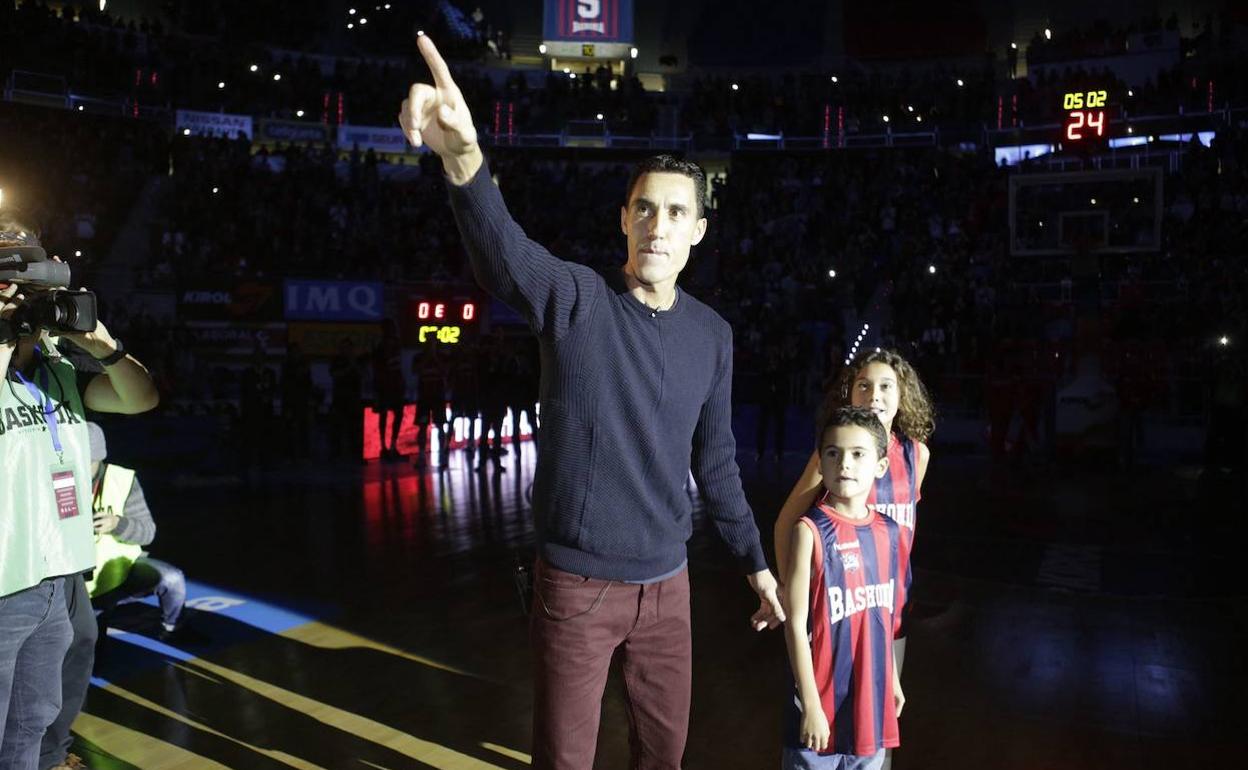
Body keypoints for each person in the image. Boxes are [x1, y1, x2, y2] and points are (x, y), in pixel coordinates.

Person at [398, 35, 784, 769]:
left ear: (698, 231)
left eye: (675, 214)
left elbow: (718, 460)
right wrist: (462, 158)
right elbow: (504, 254)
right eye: (645, 209)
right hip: (576, 588)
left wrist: (755, 564)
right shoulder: (578, 299)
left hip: (668, 589)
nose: (657, 226)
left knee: (662, 757)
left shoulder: (713, 335)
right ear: (624, 219)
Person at [1, 226, 159, 770]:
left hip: (58, 575)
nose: (28, 309)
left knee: (33, 722)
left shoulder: (61, 373)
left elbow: (141, 399)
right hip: (3, 584)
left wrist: (106, 350)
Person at [773, 349, 932, 770]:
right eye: (864, 385)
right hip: (837, 606)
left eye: (885, 386)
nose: (874, 394)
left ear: (903, 397)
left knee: (875, 724)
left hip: (885, 608)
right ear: (850, 393)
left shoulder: (916, 455)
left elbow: (903, 537)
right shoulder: (836, 451)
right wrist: (791, 592)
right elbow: (788, 521)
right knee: (824, 716)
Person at [41, 423, 187, 770]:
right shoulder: (57, 479)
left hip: (120, 568)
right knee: (87, 655)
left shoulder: (123, 480)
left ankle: (172, 627)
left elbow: (148, 530)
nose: (82, 466)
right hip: (78, 584)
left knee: (172, 579)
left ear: (101, 458)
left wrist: (118, 523)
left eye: (89, 461)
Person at [782, 406, 905, 770]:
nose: (844, 464)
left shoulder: (890, 532)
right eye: (833, 453)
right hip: (819, 709)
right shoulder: (809, 531)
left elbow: (885, 618)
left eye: (857, 454)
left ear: (880, 466)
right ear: (820, 462)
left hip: (870, 702)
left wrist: (893, 681)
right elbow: (794, 625)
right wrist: (811, 705)